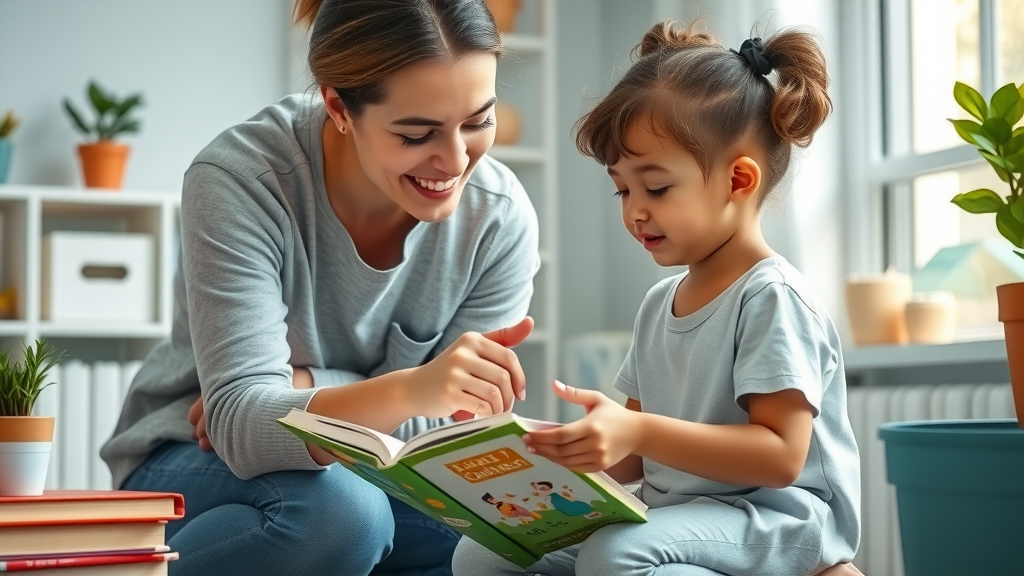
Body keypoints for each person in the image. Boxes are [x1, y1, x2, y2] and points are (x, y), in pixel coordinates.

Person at [100, 1, 540, 574]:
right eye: (416, 133)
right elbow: (238, 428)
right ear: (338, 106)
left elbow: (459, 422)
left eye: (479, 122)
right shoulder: (241, 179)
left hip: (383, 471)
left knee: (516, 536)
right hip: (190, 455)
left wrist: (303, 385)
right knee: (342, 517)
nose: (455, 160)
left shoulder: (499, 219)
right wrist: (412, 391)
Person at [452, 19, 865, 576]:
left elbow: (782, 455)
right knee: (485, 554)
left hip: (778, 519)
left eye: (657, 187)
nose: (633, 211)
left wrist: (637, 431)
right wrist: (555, 448)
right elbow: (636, 456)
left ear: (738, 181)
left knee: (614, 555)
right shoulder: (659, 303)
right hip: (684, 516)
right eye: (622, 189)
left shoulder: (771, 297)